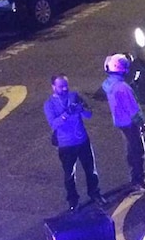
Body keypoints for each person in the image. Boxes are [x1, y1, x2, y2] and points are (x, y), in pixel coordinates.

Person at [43, 74, 107, 212]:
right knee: (69, 175)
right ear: (53, 87)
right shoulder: (49, 104)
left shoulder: (74, 96)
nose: (65, 88)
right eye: (61, 86)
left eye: (66, 85)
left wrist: (82, 109)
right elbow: (53, 124)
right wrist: (66, 114)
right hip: (66, 145)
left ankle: (95, 193)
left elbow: (89, 114)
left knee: (91, 170)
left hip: (82, 140)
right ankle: (73, 201)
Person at [102, 53, 145, 190]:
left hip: (120, 121)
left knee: (130, 149)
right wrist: (141, 123)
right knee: (138, 151)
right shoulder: (123, 88)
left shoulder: (108, 84)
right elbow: (133, 109)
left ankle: (133, 177)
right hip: (130, 123)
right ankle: (138, 180)